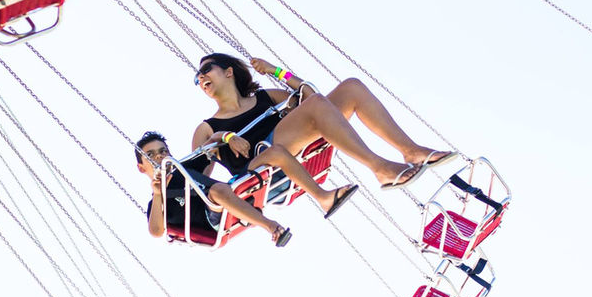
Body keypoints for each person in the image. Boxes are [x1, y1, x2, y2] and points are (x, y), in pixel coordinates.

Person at [190, 53, 457, 192]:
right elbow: (198, 178)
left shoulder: (265, 97)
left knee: (351, 88)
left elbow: (309, 96)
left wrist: (275, 71)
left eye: (205, 70)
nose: (200, 78)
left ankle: (410, 150)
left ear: (228, 72)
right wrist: (221, 139)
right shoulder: (207, 127)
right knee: (316, 105)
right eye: (197, 78)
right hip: (262, 162)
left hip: (297, 144)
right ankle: (379, 167)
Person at [136, 131, 294, 247]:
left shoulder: (186, 167)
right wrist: (158, 193)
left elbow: (213, 140)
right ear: (141, 168)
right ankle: (271, 226)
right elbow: (156, 231)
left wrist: (229, 137)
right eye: (150, 155)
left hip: (230, 194)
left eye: (163, 151)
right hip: (214, 218)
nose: (159, 156)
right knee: (217, 190)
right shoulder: (157, 202)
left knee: (273, 152)